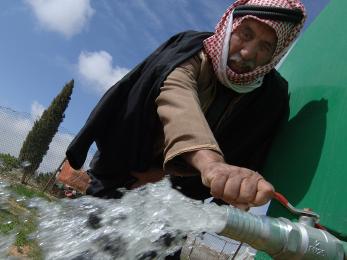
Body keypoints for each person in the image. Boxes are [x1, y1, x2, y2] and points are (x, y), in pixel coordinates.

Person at [66, 0, 306, 209]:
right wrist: (211, 165)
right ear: (230, 25)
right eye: (245, 34)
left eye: (265, 47)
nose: (247, 53)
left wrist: (166, 177)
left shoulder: (268, 98)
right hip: (122, 171)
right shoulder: (190, 52)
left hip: (177, 199)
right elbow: (177, 97)